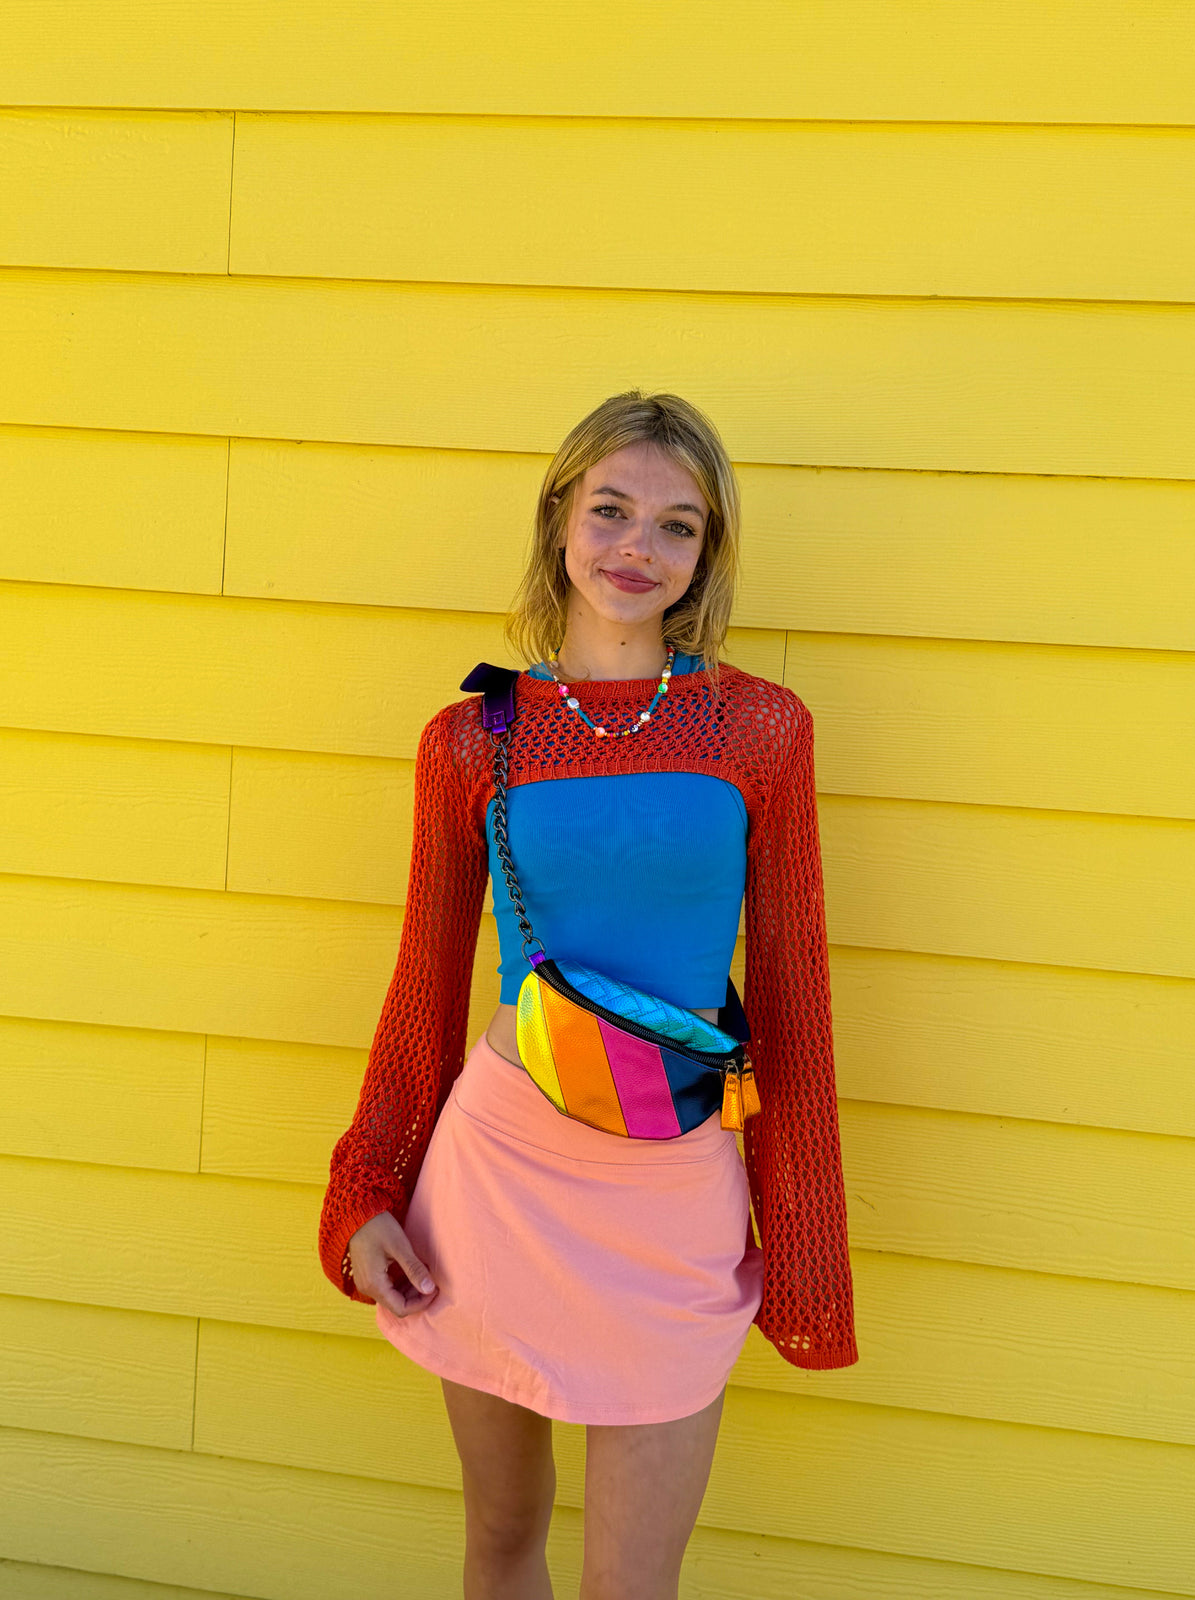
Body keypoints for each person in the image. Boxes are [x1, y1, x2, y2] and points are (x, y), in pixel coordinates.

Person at [317, 389, 858, 1600]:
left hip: (672, 1189)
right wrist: (367, 1187)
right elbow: (422, 985)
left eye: (677, 524)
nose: (636, 546)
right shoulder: (472, 739)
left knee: (632, 1585)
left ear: (707, 552)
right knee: (503, 1539)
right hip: (498, 1178)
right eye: (610, 509)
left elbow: (795, 1004)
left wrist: (801, 1233)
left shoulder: (760, 730)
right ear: (559, 517)